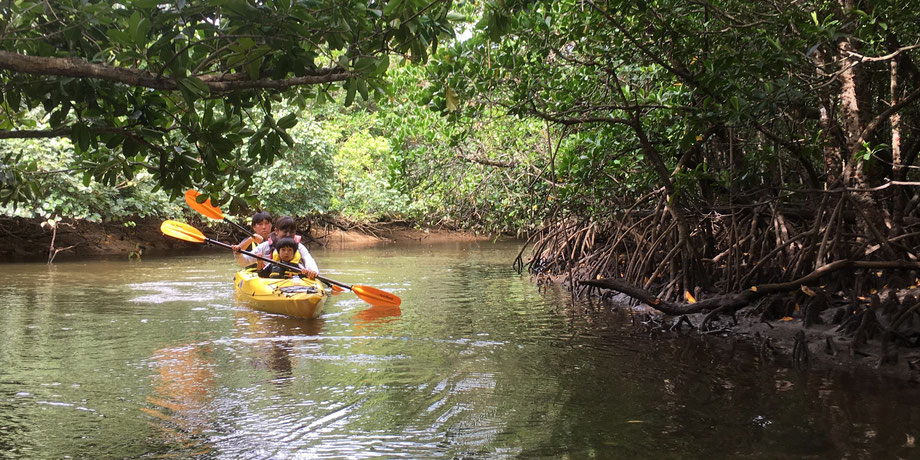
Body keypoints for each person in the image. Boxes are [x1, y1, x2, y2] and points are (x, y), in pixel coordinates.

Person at [237, 216, 319, 279]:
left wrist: (313, 271)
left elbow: (309, 260)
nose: (288, 235)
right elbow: (245, 262)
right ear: (276, 231)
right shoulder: (266, 246)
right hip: (271, 280)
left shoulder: (299, 247)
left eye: (291, 232)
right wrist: (238, 254)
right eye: (285, 231)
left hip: (294, 280)